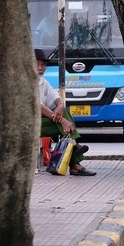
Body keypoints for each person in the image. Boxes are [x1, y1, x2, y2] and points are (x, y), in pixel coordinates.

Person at [35, 48, 95, 176]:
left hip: (40, 121)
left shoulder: (42, 81)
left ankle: (74, 154)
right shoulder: (26, 81)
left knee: (64, 112)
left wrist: (60, 107)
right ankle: (75, 153)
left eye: (43, 64)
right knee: (63, 120)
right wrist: (62, 121)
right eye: (37, 64)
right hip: (27, 124)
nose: (41, 67)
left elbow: (57, 100)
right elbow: (38, 106)